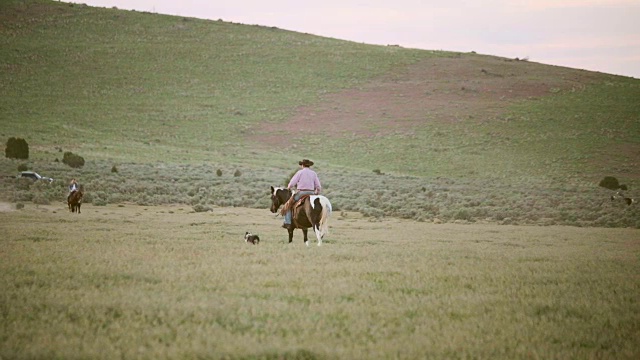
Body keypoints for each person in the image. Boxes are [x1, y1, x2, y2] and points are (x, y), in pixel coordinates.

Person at [283, 159, 321, 230]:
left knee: (288, 204)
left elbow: (292, 183)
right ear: (309, 166)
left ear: (302, 165)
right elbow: (318, 186)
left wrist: (289, 187)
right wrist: (317, 192)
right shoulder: (313, 173)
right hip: (312, 193)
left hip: (301, 192)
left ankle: (287, 222)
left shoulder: (300, 172)